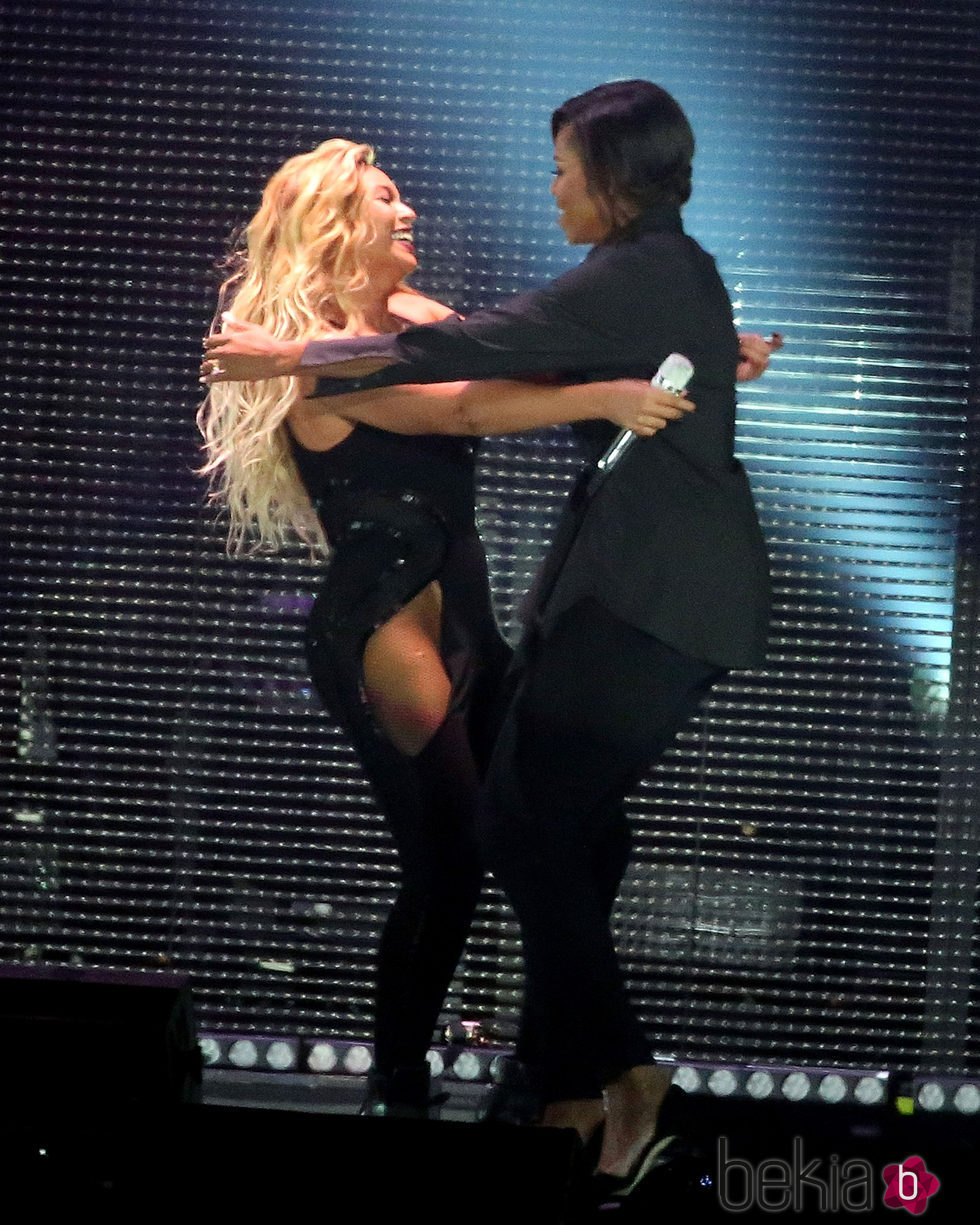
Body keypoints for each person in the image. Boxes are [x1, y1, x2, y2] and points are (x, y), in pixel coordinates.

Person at [203, 82, 776, 1198]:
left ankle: (550, 1074)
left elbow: (514, 354)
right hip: (387, 622)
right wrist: (608, 391)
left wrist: (695, 348)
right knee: (458, 853)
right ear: (335, 222)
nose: (408, 207)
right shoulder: (325, 355)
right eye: (384, 196)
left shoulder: (409, 321)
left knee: (560, 834)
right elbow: (462, 408)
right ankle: (407, 1087)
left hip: (459, 614)